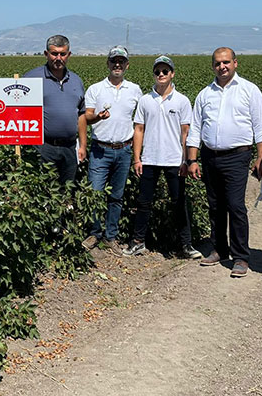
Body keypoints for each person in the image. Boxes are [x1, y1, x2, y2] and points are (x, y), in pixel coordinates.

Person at [186, 47, 262, 278]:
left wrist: (261, 158)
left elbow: (261, 127)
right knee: (215, 205)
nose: (222, 67)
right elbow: (195, 128)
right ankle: (219, 249)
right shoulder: (205, 94)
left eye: (226, 62)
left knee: (235, 205)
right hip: (210, 156)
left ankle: (240, 256)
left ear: (235, 63)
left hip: (237, 156)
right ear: (212, 66)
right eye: (217, 63)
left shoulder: (249, 90)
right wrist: (192, 159)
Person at [126, 55, 202, 259]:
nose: (161, 74)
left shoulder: (182, 100)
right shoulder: (145, 100)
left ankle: (186, 244)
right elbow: (139, 129)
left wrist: (186, 160)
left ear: (172, 74)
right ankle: (138, 242)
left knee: (179, 202)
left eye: (165, 71)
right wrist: (137, 158)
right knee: (144, 202)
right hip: (149, 158)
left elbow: (186, 132)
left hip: (174, 160)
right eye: (157, 71)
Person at [81, 46, 142, 255]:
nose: (117, 64)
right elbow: (86, 116)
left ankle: (111, 236)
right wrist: (97, 116)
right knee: (95, 193)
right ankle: (94, 233)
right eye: (114, 61)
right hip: (100, 150)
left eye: (121, 61)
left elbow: (140, 121)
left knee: (117, 196)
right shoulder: (95, 89)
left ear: (127, 65)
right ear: (107, 64)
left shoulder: (135, 90)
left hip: (124, 150)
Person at [23, 35, 87, 183]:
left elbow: (81, 115)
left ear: (69, 55)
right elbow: (19, 111)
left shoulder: (76, 80)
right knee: (43, 189)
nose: (58, 58)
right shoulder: (31, 78)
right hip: (43, 147)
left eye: (62, 54)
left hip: (70, 147)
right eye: (54, 53)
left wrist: (83, 146)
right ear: (46, 54)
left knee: (67, 189)